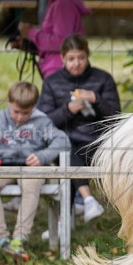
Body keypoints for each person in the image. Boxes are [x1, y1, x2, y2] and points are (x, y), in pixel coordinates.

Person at [0, 81, 70, 263]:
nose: (20, 117)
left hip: (31, 169)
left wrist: (42, 156)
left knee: (31, 185)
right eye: (16, 112)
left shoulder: (42, 122)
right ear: (9, 103)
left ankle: (20, 239)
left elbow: (63, 141)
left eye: (26, 113)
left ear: (33, 107)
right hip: (3, 167)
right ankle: (2, 238)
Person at [37, 35, 120, 223]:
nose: (77, 63)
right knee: (66, 150)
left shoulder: (103, 79)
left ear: (87, 55)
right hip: (64, 141)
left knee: (68, 160)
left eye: (81, 58)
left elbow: (115, 117)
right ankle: (87, 200)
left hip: (96, 142)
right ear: (62, 58)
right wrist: (67, 110)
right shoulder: (52, 82)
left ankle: (63, 223)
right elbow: (43, 122)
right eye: (71, 59)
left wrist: (96, 100)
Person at [13, 0, 90, 78]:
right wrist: (28, 45)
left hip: (61, 73)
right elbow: (55, 46)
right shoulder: (57, 2)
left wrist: (31, 33)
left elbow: (61, 43)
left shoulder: (63, 4)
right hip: (58, 72)